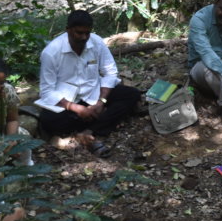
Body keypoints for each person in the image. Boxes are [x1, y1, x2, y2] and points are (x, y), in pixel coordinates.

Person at [37, 10, 143, 156]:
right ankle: (100, 121)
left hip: (95, 94)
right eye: (79, 33)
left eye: (87, 33)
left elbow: (110, 72)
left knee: (132, 95)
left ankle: (89, 131)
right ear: (68, 30)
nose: (84, 37)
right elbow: (47, 91)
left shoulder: (96, 42)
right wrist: (76, 108)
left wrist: (101, 101)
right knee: (49, 120)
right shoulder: (51, 52)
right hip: (69, 102)